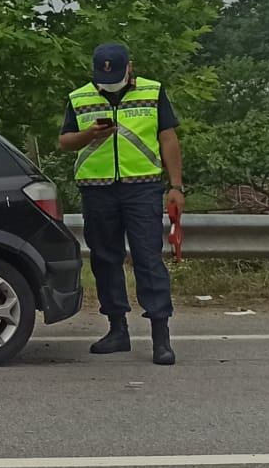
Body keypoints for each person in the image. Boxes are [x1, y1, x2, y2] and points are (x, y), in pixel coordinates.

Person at [57, 42, 185, 365]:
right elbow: (64, 142)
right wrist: (90, 135)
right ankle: (117, 331)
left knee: (148, 259)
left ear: (130, 67)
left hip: (141, 188)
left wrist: (176, 186)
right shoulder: (80, 97)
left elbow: (168, 138)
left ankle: (161, 338)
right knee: (105, 260)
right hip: (97, 191)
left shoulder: (153, 92)